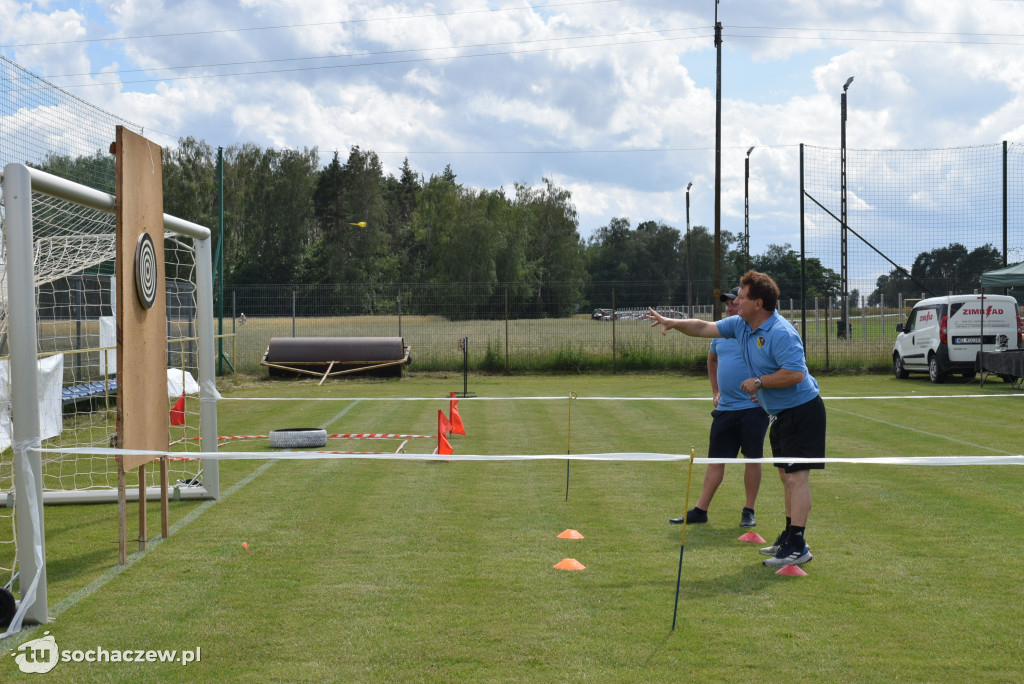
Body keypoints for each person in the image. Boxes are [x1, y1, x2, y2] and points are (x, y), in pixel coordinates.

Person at [647, 271, 825, 567]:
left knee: (796, 478)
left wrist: (760, 383)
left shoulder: (781, 332)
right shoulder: (741, 325)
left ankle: (798, 544)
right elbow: (704, 328)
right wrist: (673, 323)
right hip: (782, 414)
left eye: (741, 298)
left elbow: (795, 373)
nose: (735, 302)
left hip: (803, 411)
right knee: (786, 477)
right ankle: (789, 536)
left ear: (758, 303)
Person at [669, 286, 767, 528]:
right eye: (728, 305)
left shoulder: (756, 331)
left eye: (735, 303)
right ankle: (700, 511)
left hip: (753, 409)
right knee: (716, 460)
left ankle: (749, 511)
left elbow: (774, 365)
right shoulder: (720, 332)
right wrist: (716, 391)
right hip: (726, 409)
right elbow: (712, 360)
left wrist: (764, 391)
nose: (730, 308)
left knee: (751, 460)